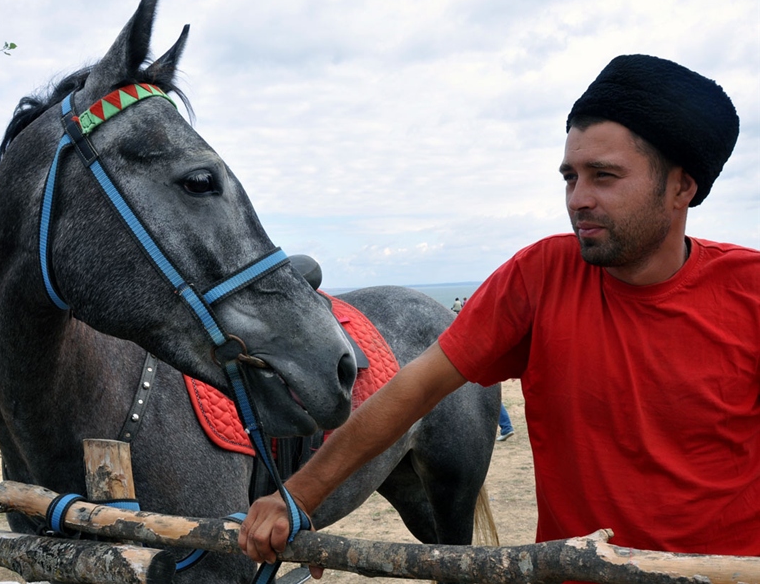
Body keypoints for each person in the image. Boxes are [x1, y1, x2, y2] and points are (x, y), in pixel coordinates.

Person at [239, 54, 759, 573]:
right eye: (570, 177)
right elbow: (413, 388)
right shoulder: (540, 276)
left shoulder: (750, 292)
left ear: (681, 188)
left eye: (603, 176)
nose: (578, 199)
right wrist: (300, 496)